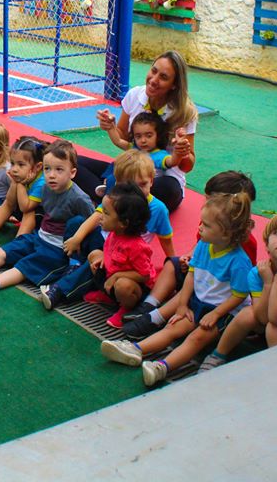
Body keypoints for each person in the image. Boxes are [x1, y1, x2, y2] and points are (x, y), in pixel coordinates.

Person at [100, 193, 253, 387]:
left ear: (225, 233)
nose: (199, 228)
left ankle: (163, 367)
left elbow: (239, 296)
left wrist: (215, 314)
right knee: (174, 326)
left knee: (196, 338)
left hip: (225, 312)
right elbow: (191, 275)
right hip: (200, 302)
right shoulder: (204, 246)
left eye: (206, 225)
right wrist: (182, 305)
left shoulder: (239, 262)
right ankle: (135, 348)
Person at [120, 169, 256, 339]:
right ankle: (149, 305)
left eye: (210, 200)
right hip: (203, 274)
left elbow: (242, 279)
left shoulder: (243, 242)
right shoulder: (212, 221)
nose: (206, 204)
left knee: (191, 288)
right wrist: (189, 256)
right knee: (172, 265)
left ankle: (155, 318)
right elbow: (201, 246)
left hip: (218, 290)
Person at [0, 140, 94, 303]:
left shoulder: (79, 198)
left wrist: (76, 250)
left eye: (59, 169)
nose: (52, 175)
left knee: (22, 268)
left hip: (56, 249)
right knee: (3, 252)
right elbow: (10, 203)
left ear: (73, 172)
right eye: (47, 169)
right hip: (38, 237)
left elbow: (93, 222)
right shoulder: (45, 187)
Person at [200, 210, 277, 371]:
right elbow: (262, 316)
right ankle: (218, 355)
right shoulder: (258, 273)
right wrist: (268, 283)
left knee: (275, 328)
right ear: (267, 245)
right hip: (269, 315)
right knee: (246, 314)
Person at [75, 51, 198, 213]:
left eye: (163, 77)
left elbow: (186, 166)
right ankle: (115, 199)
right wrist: (110, 125)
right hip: (131, 170)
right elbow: (123, 138)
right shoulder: (135, 95)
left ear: (174, 85)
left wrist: (183, 151)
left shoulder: (184, 112)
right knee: (72, 162)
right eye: (153, 71)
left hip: (161, 180)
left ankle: (108, 199)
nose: (154, 80)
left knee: (166, 189)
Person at [40, 183, 155, 329]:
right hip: (111, 277)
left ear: (123, 223)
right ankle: (107, 296)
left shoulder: (137, 246)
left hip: (133, 287)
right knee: (94, 255)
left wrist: (116, 276)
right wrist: (103, 258)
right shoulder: (114, 234)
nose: (101, 216)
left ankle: (126, 309)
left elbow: (144, 275)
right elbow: (109, 252)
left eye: (106, 213)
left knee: (123, 285)